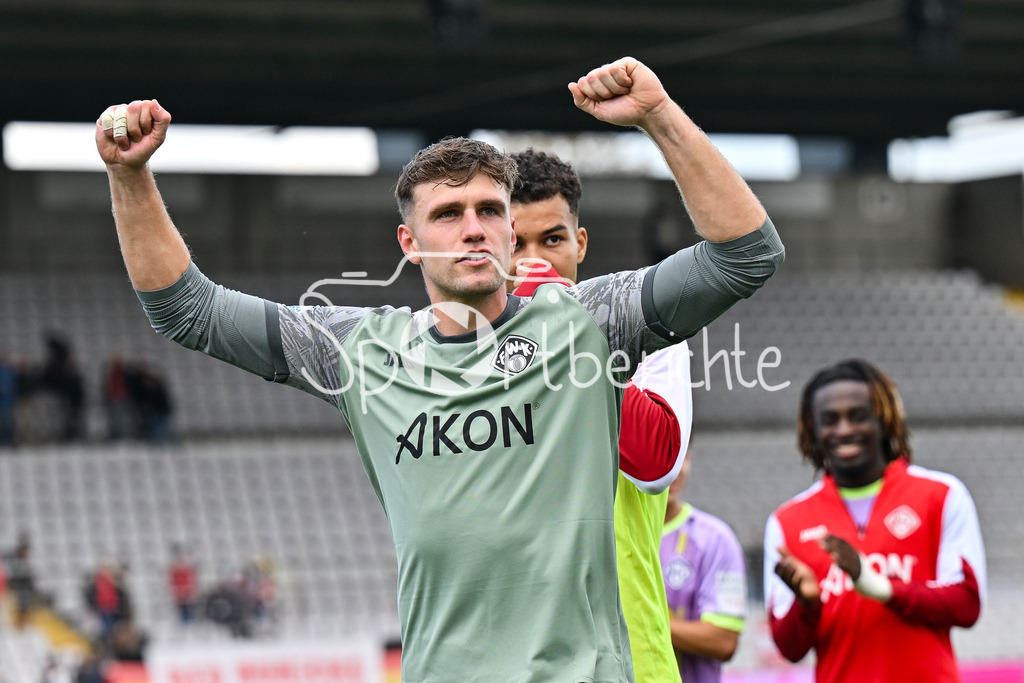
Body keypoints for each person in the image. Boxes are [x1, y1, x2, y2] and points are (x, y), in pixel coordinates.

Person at [94, 56, 784, 681]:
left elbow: (747, 253)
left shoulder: (588, 322)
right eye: (448, 213)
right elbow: (187, 310)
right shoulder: (362, 352)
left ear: (510, 231)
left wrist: (659, 116)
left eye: (489, 210)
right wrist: (129, 176)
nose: (473, 227)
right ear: (410, 242)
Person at [508, 148, 690, 682]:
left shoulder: (644, 327)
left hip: (628, 660)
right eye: (515, 244)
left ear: (580, 243)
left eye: (552, 240)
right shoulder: (460, 351)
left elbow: (656, 465)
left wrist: (562, 326)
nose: (532, 261)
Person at [764, 359, 986, 682]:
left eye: (858, 416)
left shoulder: (942, 495)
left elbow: (966, 605)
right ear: (812, 429)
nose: (844, 430)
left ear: (883, 419)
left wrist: (877, 585)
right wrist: (807, 604)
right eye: (829, 420)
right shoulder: (787, 521)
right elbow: (789, 648)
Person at [661, 450, 747, 682]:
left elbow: (725, 640)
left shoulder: (717, 539)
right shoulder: (608, 536)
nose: (672, 467)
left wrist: (643, 623)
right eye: (659, 452)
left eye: (679, 454)